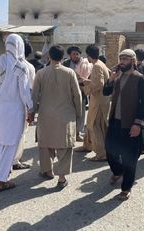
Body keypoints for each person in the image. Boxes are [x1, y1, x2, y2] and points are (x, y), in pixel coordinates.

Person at [28, 45, 82, 188]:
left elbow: (34, 96)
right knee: (64, 147)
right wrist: (78, 113)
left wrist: (31, 113)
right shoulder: (70, 73)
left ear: (49, 57)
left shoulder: (40, 73)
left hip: (45, 115)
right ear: (63, 57)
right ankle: (62, 178)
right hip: (65, 116)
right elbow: (77, 95)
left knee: (45, 145)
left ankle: (47, 171)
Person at [0, 34, 33, 192]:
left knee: (2, 142)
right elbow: (25, 92)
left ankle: (4, 173)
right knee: (11, 144)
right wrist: (31, 108)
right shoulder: (21, 67)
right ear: (20, 46)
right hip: (14, 110)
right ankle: (0, 180)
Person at [103, 49, 144, 200]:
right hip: (115, 121)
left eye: (126, 59)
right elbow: (105, 92)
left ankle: (126, 187)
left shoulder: (139, 78)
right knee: (110, 151)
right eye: (121, 58)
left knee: (130, 157)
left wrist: (138, 124)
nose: (122, 61)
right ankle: (118, 172)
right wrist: (111, 78)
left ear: (133, 61)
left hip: (131, 124)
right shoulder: (117, 77)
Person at [74, 44, 110, 162]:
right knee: (90, 124)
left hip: (99, 101)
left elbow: (99, 84)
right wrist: (88, 81)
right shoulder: (100, 64)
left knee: (94, 126)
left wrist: (86, 87)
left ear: (88, 56)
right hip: (99, 100)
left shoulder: (96, 66)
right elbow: (99, 81)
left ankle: (101, 153)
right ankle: (88, 145)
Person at [11, 41, 36, 171]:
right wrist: (31, 109)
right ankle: (15, 161)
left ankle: (8, 159)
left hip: (6, 106)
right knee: (20, 133)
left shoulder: (5, 63)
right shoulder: (27, 67)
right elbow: (31, 89)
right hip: (21, 106)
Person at [63, 46, 91, 142]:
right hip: (69, 93)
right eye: (73, 54)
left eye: (77, 54)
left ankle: (78, 133)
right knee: (69, 114)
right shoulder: (65, 64)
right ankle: (69, 133)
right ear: (70, 55)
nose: (75, 56)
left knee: (81, 114)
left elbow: (88, 77)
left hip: (82, 92)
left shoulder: (85, 64)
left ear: (80, 55)